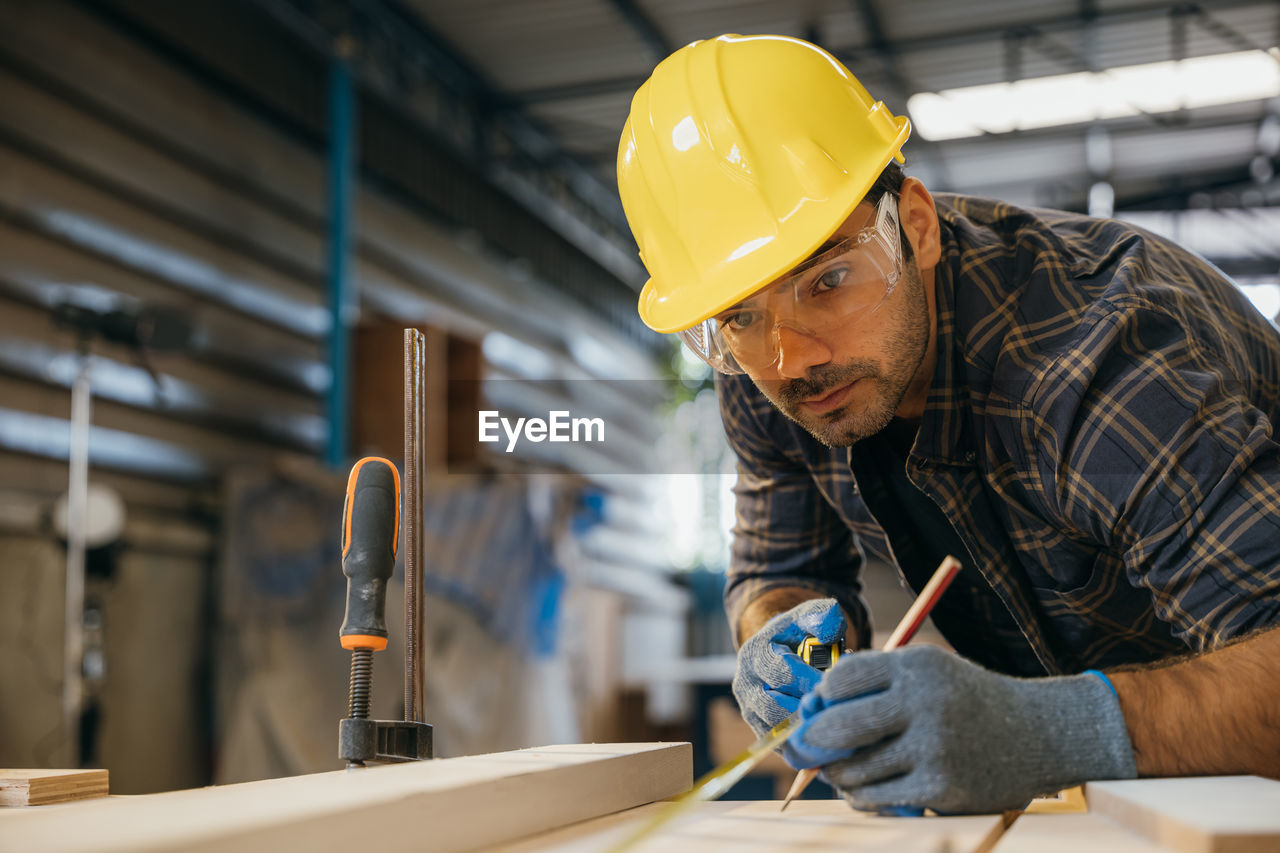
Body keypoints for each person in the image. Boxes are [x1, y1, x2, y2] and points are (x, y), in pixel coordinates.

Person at [616, 34, 1280, 813]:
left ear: (918, 226)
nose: (793, 358)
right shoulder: (766, 369)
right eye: (739, 316)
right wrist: (781, 633)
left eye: (828, 279)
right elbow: (782, 564)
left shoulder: (1102, 364)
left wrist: (1058, 729)